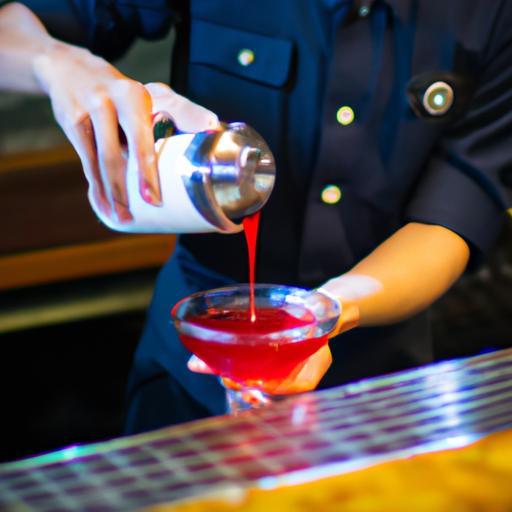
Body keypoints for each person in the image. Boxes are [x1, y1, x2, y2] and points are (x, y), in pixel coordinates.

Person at [2, 1, 511, 433]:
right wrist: (59, 63)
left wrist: (324, 314)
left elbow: (452, 217)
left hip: (375, 382)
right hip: (192, 368)